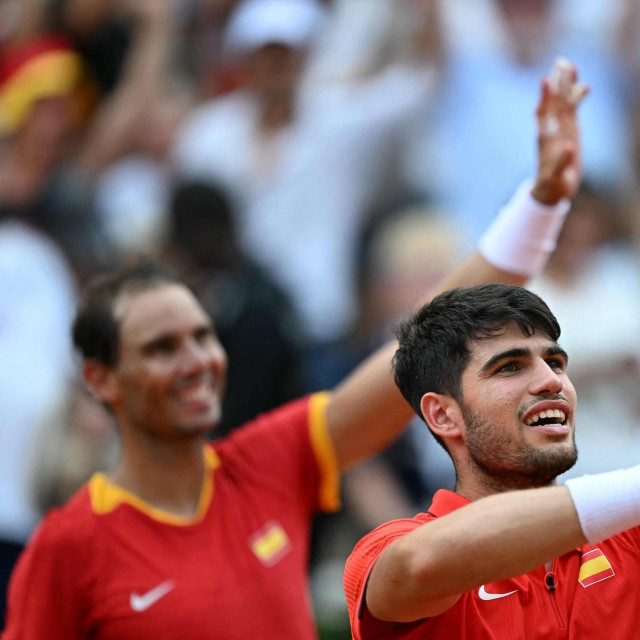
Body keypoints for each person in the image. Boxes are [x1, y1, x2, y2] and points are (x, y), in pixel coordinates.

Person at [3, 58, 586, 639]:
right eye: (161, 348)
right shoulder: (70, 544)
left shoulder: (267, 464)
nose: (197, 362)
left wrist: (540, 206)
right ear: (100, 378)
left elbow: (428, 335)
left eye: (203, 337)